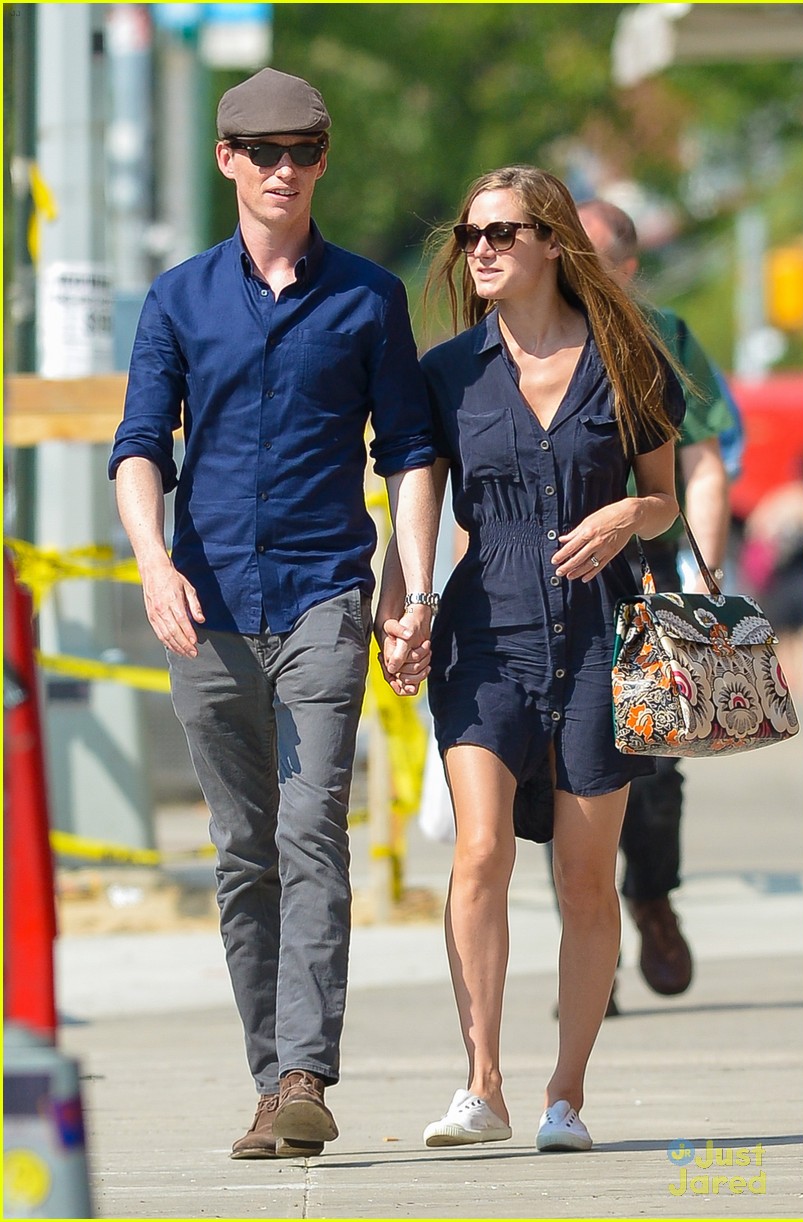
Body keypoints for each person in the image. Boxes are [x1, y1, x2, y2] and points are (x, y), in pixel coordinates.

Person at [109, 67, 438, 1160]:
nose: (283, 170)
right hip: (201, 606)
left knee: (310, 830)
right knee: (243, 848)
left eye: (302, 151)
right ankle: (270, 1080)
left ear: (323, 161)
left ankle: (305, 1074)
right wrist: (153, 563)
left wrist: (406, 581)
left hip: (323, 595)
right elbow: (140, 446)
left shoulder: (367, 297)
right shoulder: (179, 298)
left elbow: (412, 452)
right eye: (263, 153)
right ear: (227, 163)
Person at [379, 165, 684, 1152]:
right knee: (478, 853)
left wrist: (628, 515)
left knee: (587, 880)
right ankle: (481, 1084)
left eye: (503, 232)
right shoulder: (446, 373)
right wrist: (411, 595)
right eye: (471, 231)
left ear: (553, 242)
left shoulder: (627, 356)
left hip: (605, 634)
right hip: (485, 630)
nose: (480, 249)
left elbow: (665, 496)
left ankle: (565, 1092)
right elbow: (416, 492)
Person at [577, 199, 734, 1006]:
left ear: (627, 269)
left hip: (646, 581)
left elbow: (702, 460)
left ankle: (649, 897)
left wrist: (703, 581)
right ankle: (588, 942)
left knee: (655, 768)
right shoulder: (524, 332)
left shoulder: (664, 337)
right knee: (560, 766)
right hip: (559, 584)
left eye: (590, 255)